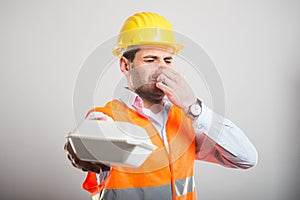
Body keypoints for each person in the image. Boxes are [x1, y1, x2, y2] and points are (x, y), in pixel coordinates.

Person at [65, 12, 258, 200]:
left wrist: (192, 106)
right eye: (150, 60)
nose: (162, 67)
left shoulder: (186, 120)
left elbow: (247, 158)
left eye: (167, 60)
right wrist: (82, 146)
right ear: (125, 66)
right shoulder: (108, 118)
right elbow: (89, 138)